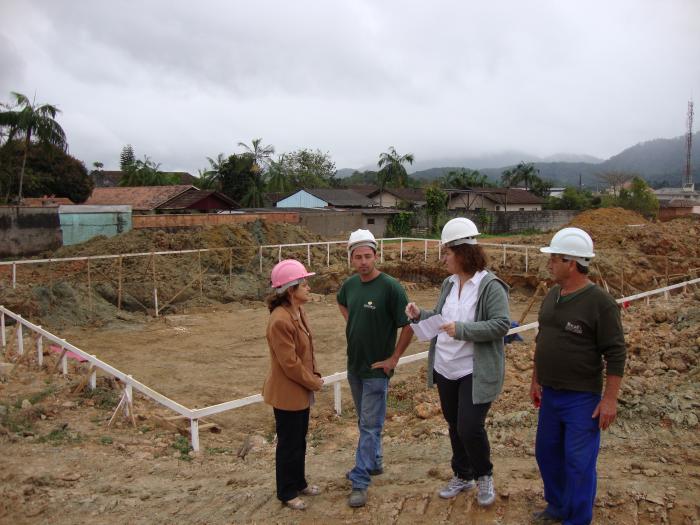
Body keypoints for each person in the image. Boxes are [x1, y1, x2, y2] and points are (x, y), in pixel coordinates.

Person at [405, 217, 510, 507]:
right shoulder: (448, 284)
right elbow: (441, 318)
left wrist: (463, 330)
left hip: (473, 370)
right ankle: (462, 475)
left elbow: (501, 324)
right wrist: (419, 315)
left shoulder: (489, 286)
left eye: (447, 253)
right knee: (454, 424)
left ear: (463, 253)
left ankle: (484, 474)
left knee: (469, 426)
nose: (443, 259)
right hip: (446, 366)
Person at [530, 227, 626, 525]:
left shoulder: (600, 303)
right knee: (546, 454)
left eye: (554, 259)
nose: (549, 264)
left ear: (571, 262)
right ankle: (557, 506)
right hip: (551, 394)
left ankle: (578, 518)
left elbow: (616, 353)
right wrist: (535, 379)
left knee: (578, 463)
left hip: (581, 398)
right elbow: (542, 338)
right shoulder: (552, 296)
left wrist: (609, 399)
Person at [337, 228, 414, 508]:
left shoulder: (391, 287)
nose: (363, 262)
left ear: (376, 256)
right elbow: (342, 303)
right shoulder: (350, 285)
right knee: (365, 422)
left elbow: (409, 326)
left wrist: (393, 359)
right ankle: (375, 462)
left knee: (369, 426)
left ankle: (360, 480)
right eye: (358, 257)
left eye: (368, 256)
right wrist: (353, 322)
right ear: (351, 258)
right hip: (354, 367)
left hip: (376, 372)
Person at [262, 259, 324, 510]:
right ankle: (286, 492)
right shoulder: (280, 320)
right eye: (304, 283)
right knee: (288, 444)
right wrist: (314, 381)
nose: (308, 287)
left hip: (300, 390)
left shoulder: (297, 312)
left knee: (300, 440)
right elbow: (289, 364)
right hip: (288, 393)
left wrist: (313, 376)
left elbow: (306, 353)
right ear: (291, 289)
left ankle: (299, 482)